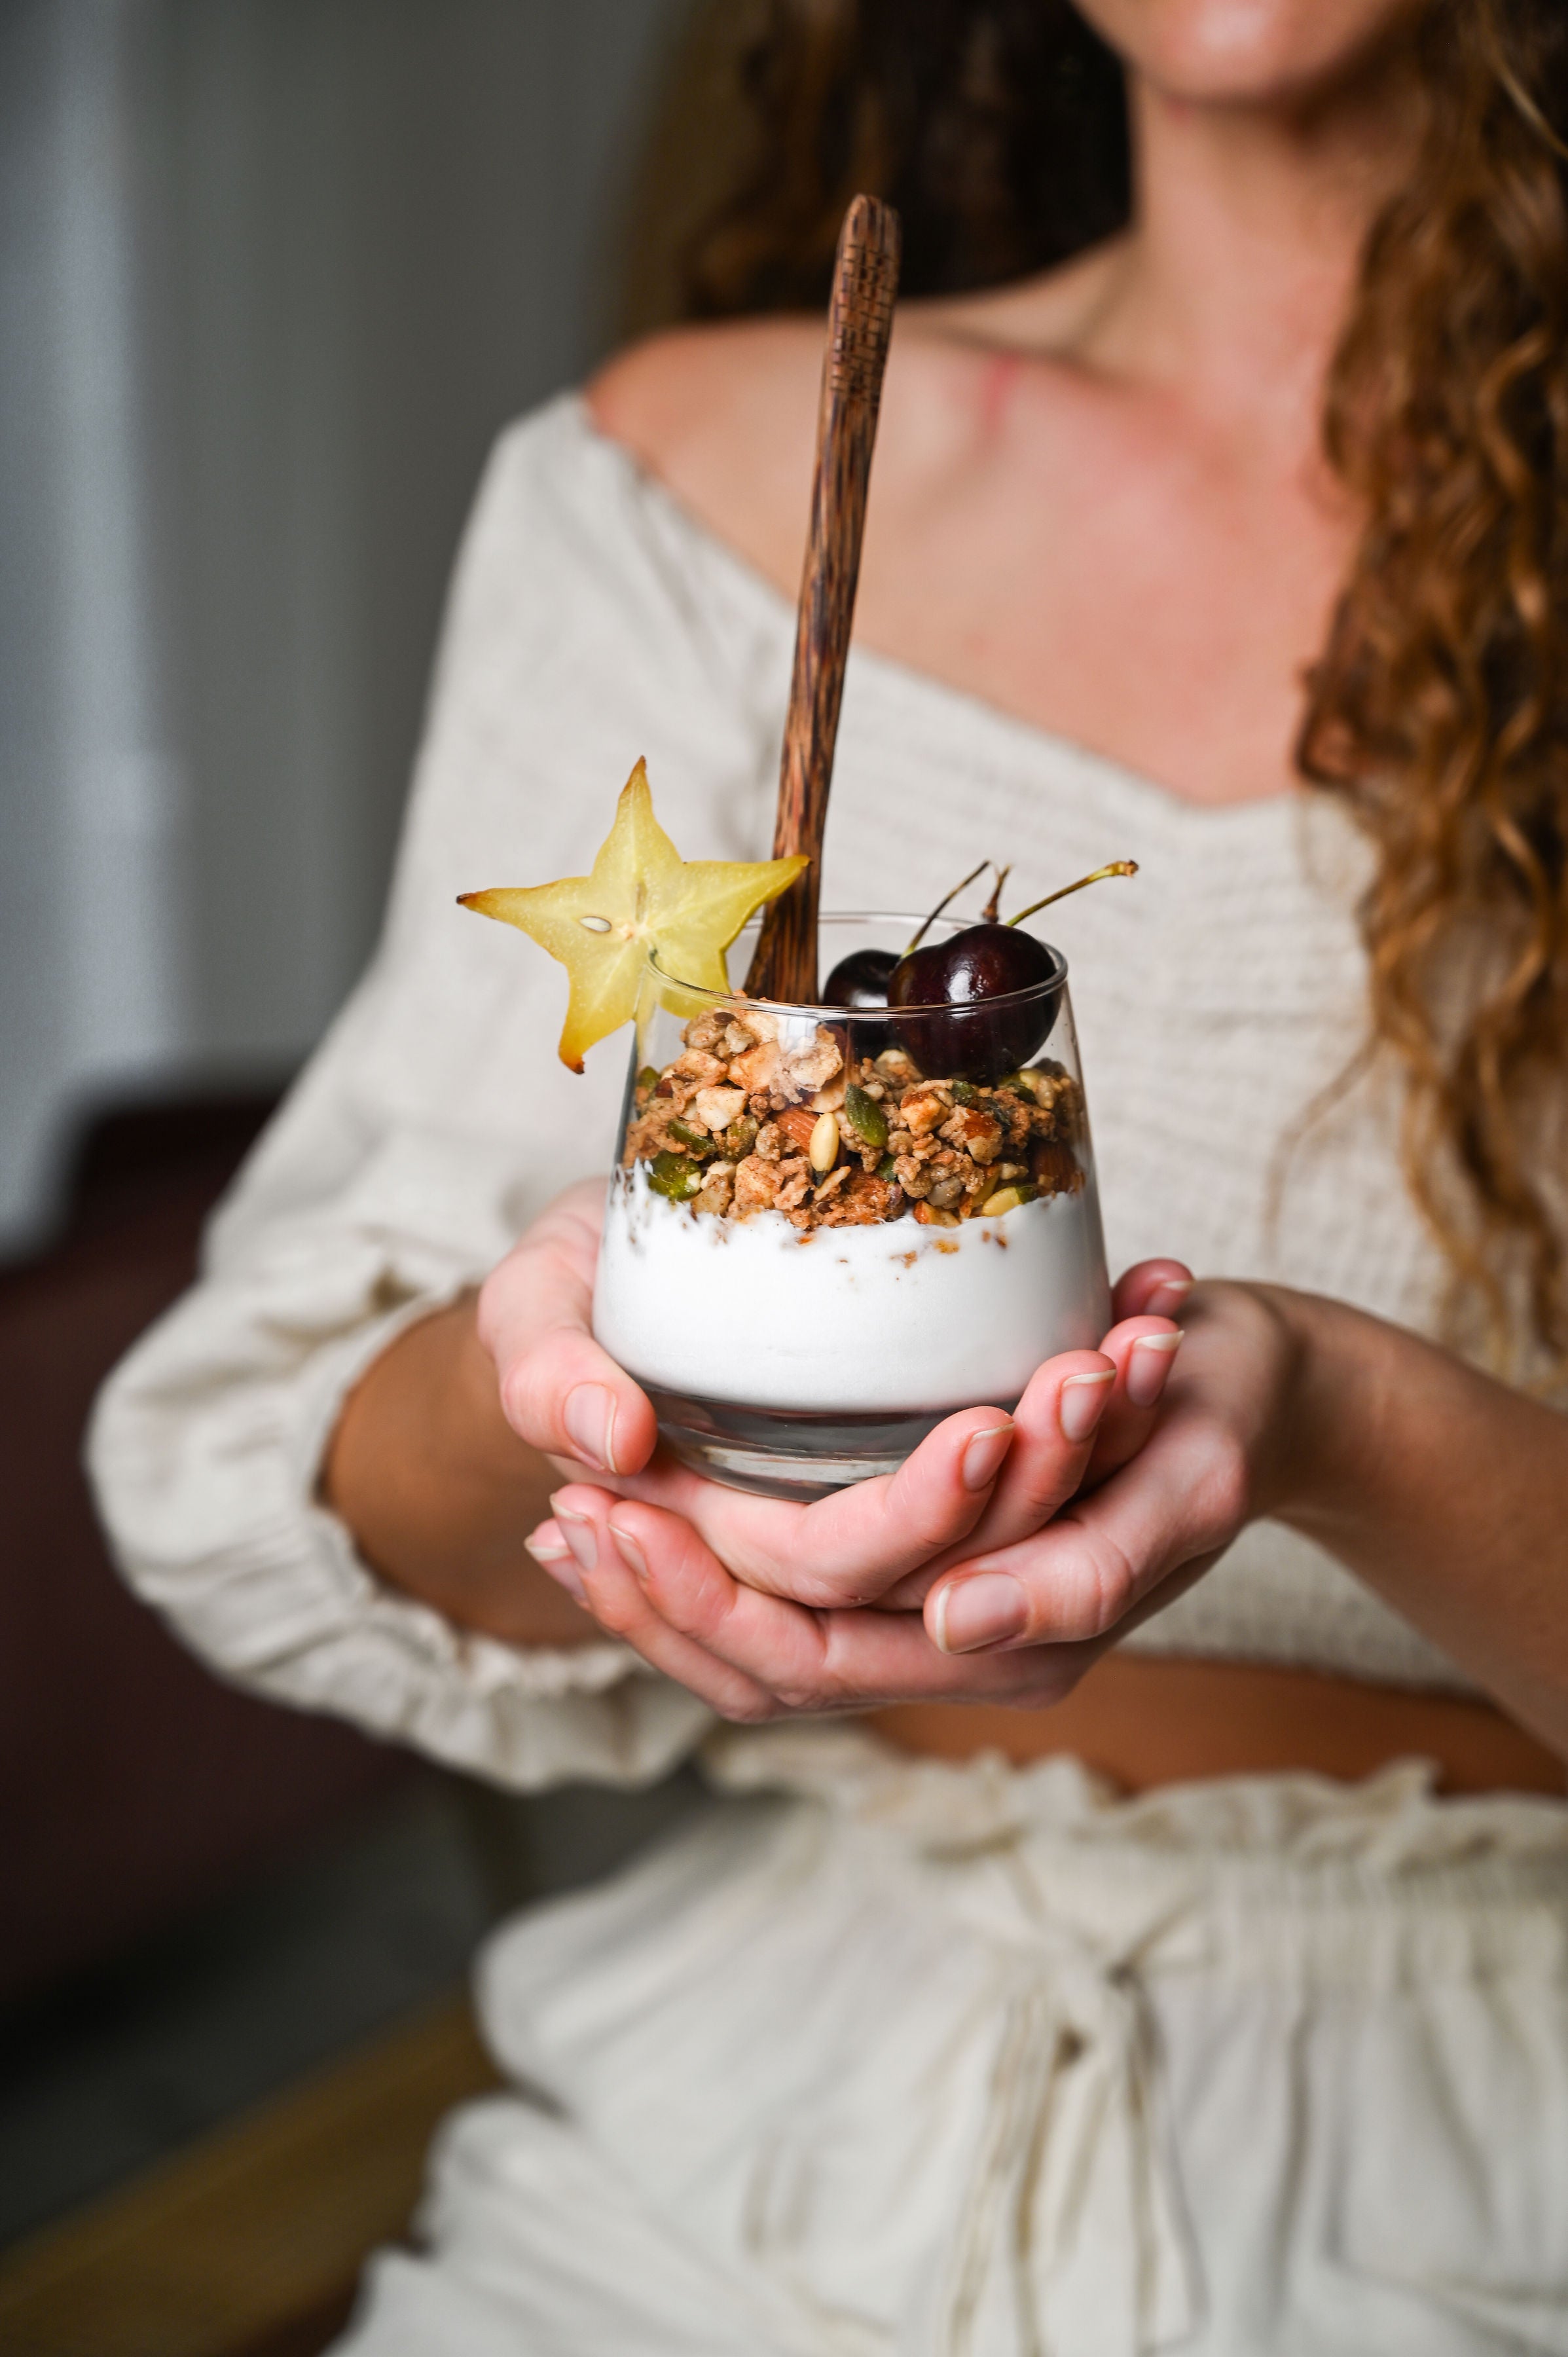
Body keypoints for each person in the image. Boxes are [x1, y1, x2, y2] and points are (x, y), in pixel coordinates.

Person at [91, 1, 1568, 2348]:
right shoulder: (688, 483)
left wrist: (1339, 1427)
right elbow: (297, 1484)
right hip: (767, 2127)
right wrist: (555, 1385)